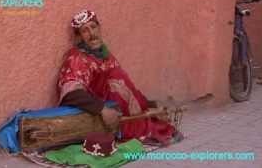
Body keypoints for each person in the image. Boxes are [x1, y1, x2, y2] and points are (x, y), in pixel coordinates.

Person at [57, 10, 176, 145]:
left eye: (93, 27)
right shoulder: (77, 58)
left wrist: (152, 106)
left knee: (118, 75)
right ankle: (136, 131)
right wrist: (101, 109)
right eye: (85, 31)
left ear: (99, 28)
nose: (92, 34)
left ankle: (142, 124)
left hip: (114, 108)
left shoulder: (105, 54)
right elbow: (70, 93)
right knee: (114, 79)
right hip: (97, 111)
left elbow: (127, 87)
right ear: (79, 37)